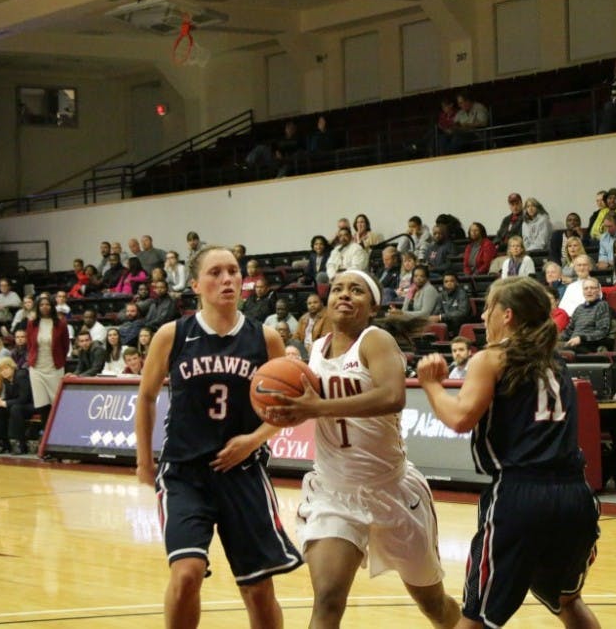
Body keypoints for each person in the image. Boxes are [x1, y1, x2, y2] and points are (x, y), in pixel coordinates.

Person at [263, 270, 460, 628]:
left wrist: (317, 408)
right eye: (337, 289)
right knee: (327, 600)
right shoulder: (316, 348)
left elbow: (392, 396)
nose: (344, 295)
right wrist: (257, 432)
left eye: (356, 291)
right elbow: (299, 406)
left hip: (392, 491)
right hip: (333, 493)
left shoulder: (376, 340)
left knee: (434, 605)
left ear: (372, 305)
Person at [416, 276, 601, 628]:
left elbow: (459, 418)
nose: (483, 314)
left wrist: (430, 386)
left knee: (477, 619)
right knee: (568, 601)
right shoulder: (556, 361)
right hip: (575, 495)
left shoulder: (491, 358)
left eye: (489, 307)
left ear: (508, 315)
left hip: (520, 496)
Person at [134, 245, 302, 629]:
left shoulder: (265, 337)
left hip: (243, 474)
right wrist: (144, 461)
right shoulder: (172, 334)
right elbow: (145, 397)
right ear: (195, 284)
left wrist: (253, 440)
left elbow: (288, 409)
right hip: (185, 473)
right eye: (215, 272)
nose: (227, 279)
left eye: (233, 271)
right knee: (186, 574)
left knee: (258, 590)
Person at [561, 278, 611, 353]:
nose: (589, 291)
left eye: (592, 288)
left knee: (559, 352)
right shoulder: (579, 308)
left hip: (589, 345)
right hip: (572, 343)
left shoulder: (602, 305)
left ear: (598, 291)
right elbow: (569, 331)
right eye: (586, 288)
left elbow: (602, 332)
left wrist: (581, 339)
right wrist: (553, 337)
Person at [430, 272, 471, 336]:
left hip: (459, 326)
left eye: (452, 281)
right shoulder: (441, 295)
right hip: (446, 325)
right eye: (446, 281)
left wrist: (441, 317)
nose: (449, 283)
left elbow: (462, 312)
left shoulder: (462, 294)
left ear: (457, 283)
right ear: (443, 284)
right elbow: (436, 312)